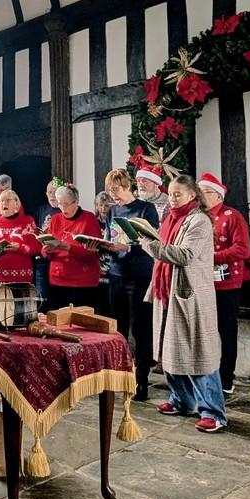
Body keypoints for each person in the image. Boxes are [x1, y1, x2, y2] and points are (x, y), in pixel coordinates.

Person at [140, 174, 227, 433]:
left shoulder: (199, 221)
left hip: (190, 295)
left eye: (178, 194)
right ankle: (182, 400)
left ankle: (213, 412)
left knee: (198, 353)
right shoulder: (170, 219)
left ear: (192, 195)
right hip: (167, 291)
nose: (172, 198)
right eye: (170, 194)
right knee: (169, 350)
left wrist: (149, 245)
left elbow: (185, 255)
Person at [102, 168, 160, 401]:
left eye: (116, 190)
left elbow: (153, 242)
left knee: (140, 328)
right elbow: (109, 237)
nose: (113, 195)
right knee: (119, 328)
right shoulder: (112, 211)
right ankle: (121, 374)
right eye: (110, 191)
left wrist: (127, 247)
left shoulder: (146, 209)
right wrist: (100, 245)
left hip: (140, 274)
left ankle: (141, 379)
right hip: (117, 274)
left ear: (127, 186)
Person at [198, 172, 250, 395]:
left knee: (227, 331)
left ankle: (226, 378)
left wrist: (212, 257)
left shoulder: (232, 216)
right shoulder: (198, 217)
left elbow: (243, 249)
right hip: (202, 282)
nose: (201, 196)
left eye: (206, 192)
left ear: (218, 196)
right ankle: (205, 374)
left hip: (226, 284)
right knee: (203, 331)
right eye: (199, 192)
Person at [40, 182, 102, 311]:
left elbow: (96, 252)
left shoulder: (89, 218)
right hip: (58, 279)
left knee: (82, 319)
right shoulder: (55, 219)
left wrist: (70, 248)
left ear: (76, 201)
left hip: (83, 281)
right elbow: (45, 251)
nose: (63, 208)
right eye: (60, 204)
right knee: (60, 318)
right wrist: (47, 251)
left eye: (66, 204)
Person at [0, 189, 40, 284]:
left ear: (16, 203)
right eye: (2, 201)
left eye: (8, 200)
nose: (4, 203)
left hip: (22, 278)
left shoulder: (28, 221)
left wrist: (19, 247)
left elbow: (37, 248)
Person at [34, 179, 60, 302]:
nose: (51, 196)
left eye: (54, 192)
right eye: (49, 192)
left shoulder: (65, 210)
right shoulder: (41, 210)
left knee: (57, 296)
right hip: (43, 256)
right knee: (41, 296)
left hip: (59, 256)